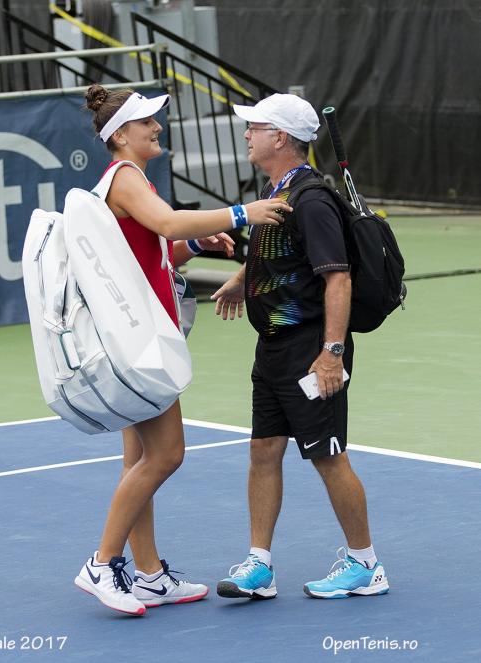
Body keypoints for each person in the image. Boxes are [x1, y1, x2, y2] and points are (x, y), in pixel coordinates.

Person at [73, 84, 292, 616]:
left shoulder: (129, 181)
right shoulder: (125, 179)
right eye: (147, 121)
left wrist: (196, 244)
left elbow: (157, 244)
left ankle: (147, 573)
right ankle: (102, 563)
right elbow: (168, 222)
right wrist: (242, 213)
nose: (157, 127)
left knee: (139, 459)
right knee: (166, 455)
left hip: (136, 335)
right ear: (121, 134)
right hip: (139, 340)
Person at [211, 93, 389, 600]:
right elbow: (285, 253)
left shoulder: (311, 199)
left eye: (255, 127)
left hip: (312, 348)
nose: (247, 134)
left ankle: (365, 564)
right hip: (272, 349)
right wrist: (242, 279)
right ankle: (259, 567)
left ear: (281, 138)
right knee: (263, 450)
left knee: (328, 455)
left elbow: (337, 278)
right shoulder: (280, 192)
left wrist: (331, 353)